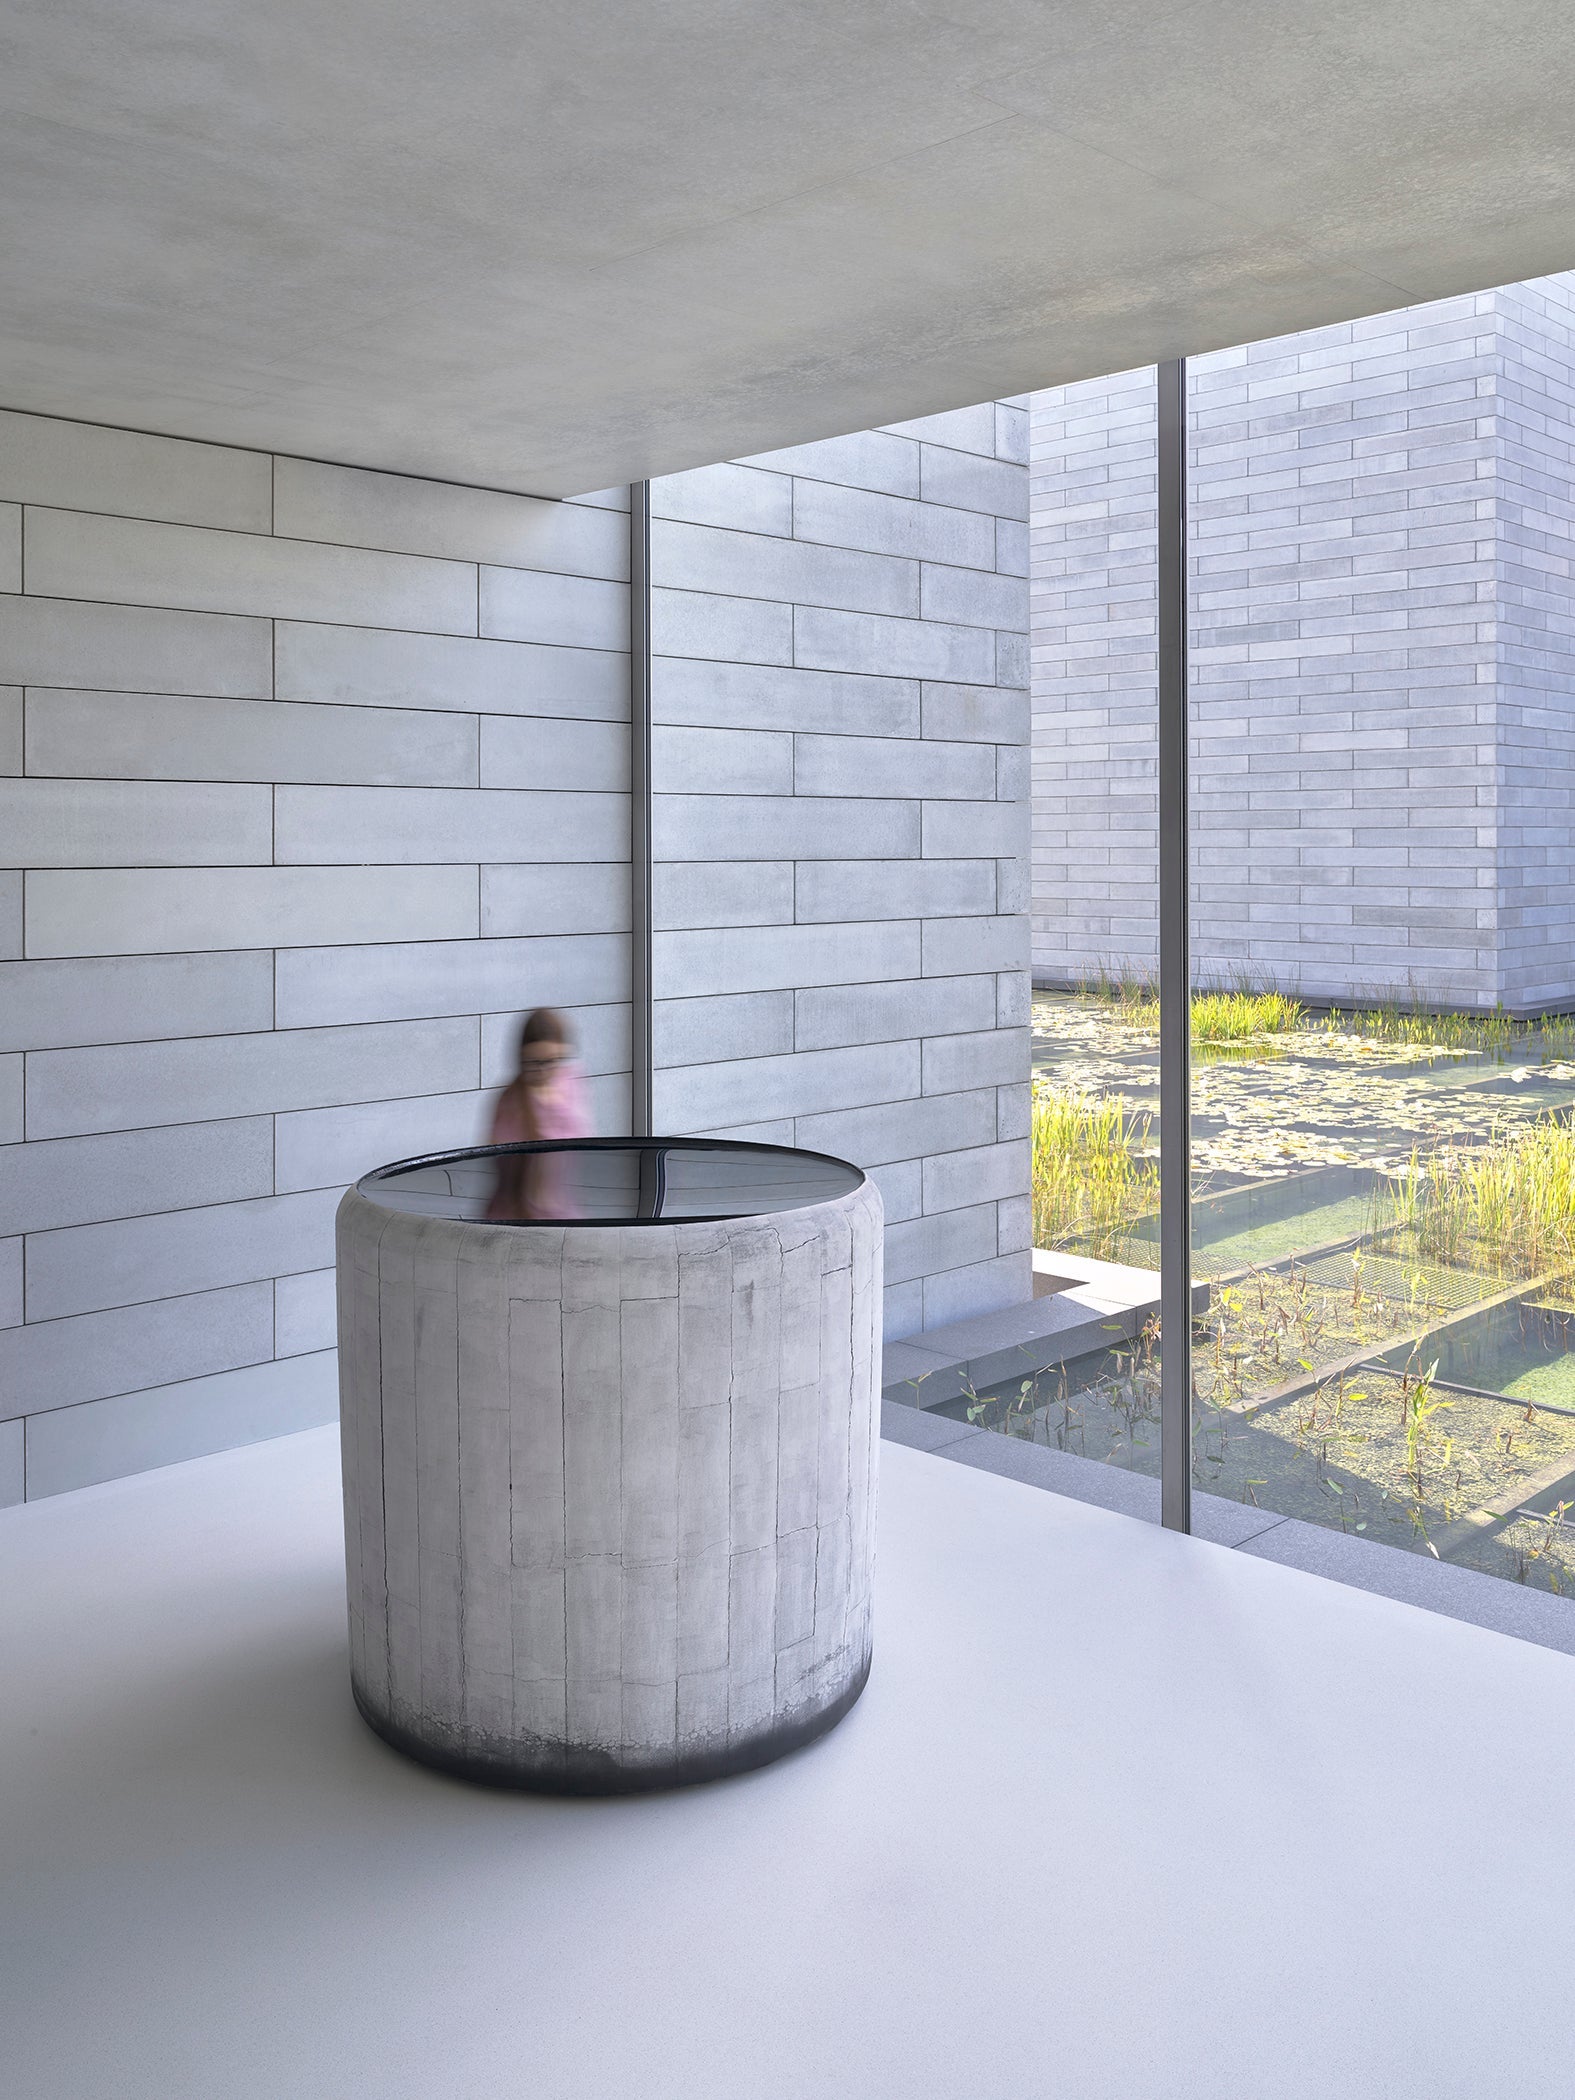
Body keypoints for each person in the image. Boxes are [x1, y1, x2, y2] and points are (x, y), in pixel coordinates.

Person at [485, 1008, 592, 1220]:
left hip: (564, 1207)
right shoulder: (511, 1100)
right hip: (518, 1212)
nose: (543, 1070)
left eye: (552, 1061)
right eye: (534, 1063)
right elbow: (503, 1165)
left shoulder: (571, 1081)